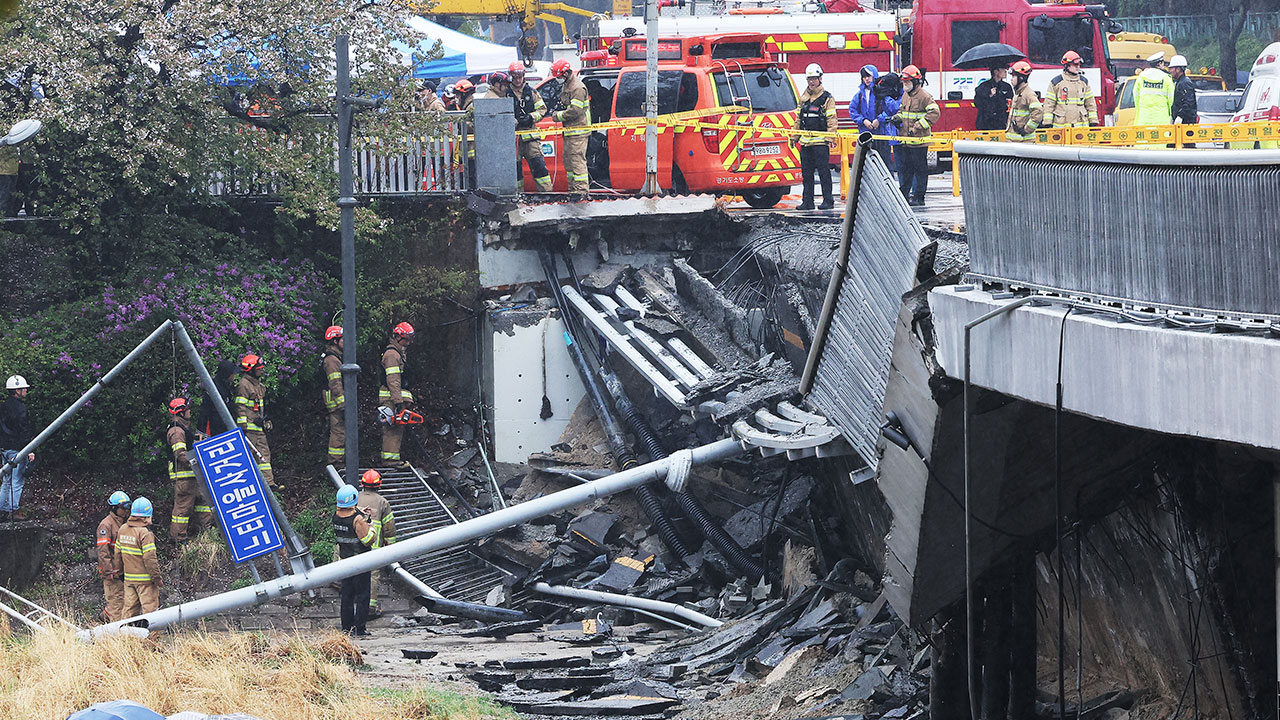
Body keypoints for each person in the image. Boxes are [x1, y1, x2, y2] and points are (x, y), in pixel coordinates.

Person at [891, 65, 939, 207]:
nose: (904, 85)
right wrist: (896, 118)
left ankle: (919, 197)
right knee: (906, 169)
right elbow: (902, 112)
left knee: (920, 170)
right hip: (906, 140)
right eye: (903, 82)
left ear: (915, 82)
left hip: (919, 142)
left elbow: (934, 113)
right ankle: (904, 195)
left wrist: (917, 127)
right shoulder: (906, 95)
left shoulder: (924, 96)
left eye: (907, 82)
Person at [332, 484, 376, 636]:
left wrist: (360, 513)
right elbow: (368, 540)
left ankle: (346, 628)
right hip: (361, 562)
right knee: (362, 596)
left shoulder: (336, 517)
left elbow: (347, 515)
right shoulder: (358, 520)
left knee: (347, 596)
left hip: (345, 561)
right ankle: (360, 629)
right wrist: (370, 526)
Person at [166, 397, 212, 541]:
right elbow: (181, 455)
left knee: (203, 503)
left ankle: (206, 531)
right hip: (184, 479)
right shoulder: (176, 432)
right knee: (183, 509)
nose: (189, 412)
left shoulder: (184, 429)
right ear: (180, 413)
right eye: (187, 410)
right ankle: (178, 538)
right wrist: (199, 460)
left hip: (193, 476)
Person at [796, 63, 838, 210]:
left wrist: (830, 138)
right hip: (806, 144)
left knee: (823, 173)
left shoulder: (827, 98)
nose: (811, 82)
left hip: (820, 143)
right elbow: (798, 120)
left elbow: (832, 120)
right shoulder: (804, 99)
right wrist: (794, 137)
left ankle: (828, 200)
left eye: (814, 78)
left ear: (820, 79)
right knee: (806, 174)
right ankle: (807, 202)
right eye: (809, 79)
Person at [358, 469, 398, 618]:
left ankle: (338, 584)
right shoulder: (382, 502)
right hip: (373, 548)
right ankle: (370, 608)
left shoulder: (355, 498)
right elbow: (389, 527)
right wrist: (391, 547)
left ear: (362, 484)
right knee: (373, 576)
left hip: (355, 546)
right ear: (378, 485)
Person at [233, 354, 277, 489]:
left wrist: (265, 420)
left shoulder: (258, 385)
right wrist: (244, 427)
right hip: (249, 430)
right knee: (248, 457)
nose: (262, 370)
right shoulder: (244, 386)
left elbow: (260, 407)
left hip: (258, 428)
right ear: (251, 370)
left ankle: (269, 484)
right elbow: (240, 407)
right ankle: (247, 485)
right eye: (259, 368)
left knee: (264, 455)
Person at [509, 62, 552, 192]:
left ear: (524, 75)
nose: (517, 79)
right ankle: (517, 196)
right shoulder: (506, 93)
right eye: (515, 76)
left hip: (530, 137)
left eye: (520, 76)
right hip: (513, 139)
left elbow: (542, 109)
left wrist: (531, 117)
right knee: (515, 171)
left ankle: (547, 193)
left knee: (539, 166)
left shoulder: (532, 92)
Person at [116, 497, 161, 618]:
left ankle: (125, 635)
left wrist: (120, 573)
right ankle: (152, 637)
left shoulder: (123, 529)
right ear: (146, 516)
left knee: (129, 611)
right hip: (146, 581)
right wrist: (156, 578)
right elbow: (150, 559)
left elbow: (117, 554)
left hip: (129, 580)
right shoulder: (145, 533)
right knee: (151, 612)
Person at [551, 59, 591, 194]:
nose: (558, 79)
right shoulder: (567, 85)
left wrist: (558, 115)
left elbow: (575, 110)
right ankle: (573, 190)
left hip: (578, 132)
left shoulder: (577, 88)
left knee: (577, 162)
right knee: (569, 163)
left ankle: (581, 193)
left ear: (566, 74)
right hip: (570, 132)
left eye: (559, 77)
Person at [849, 64, 897, 176]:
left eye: (869, 76)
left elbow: (890, 109)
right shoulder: (859, 95)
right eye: (864, 76)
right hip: (865, 136)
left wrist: (879, 120)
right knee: (867, 168)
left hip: (881, 134)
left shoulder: (881, 93)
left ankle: (888, 190)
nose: (866, 79)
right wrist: (863, 120)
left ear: (874, 76)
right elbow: (852, 110)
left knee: (885, 165)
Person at [380, 322, 416, 469]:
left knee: (397, 429)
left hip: (394, 397)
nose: (409, 342)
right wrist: (398, 401)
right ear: (397, 337)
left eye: (410, 339)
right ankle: (390, 461)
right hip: (390, 398)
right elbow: (393, 380)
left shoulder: (398, 353)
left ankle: (392, 458)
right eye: (406, 339)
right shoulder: (392, 355)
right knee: (392, 428)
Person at [0, 375, 34, 521]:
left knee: (6, 480)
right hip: (17, 450)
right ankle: (13, 510)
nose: (26, 390)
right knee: (17, 480)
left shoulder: (3, 407)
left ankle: (2, 509)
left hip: (4, 449)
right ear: (17, 390)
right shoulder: (21, 408)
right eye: (23, 388)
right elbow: (23, 430)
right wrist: (29, 449)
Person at [96, 490, 131, 622]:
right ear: (114, 508)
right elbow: (103, 551)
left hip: (123, 571)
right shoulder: (106, 525)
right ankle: (116, 634)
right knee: (116, 603)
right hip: (113, 573)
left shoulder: (124, 523)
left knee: (123, 599)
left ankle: (104, 617)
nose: (127, 510)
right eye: (124, 507)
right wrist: (108, 571)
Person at [1042, 51, 1098, 128]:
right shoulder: (1056, 82)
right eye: (1075, 64)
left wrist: (1093, 122)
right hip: (1061, 127)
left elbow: (1090, 103)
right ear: (1067, 65)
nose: (1078, 66)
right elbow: (1049, 104)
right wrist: (1047, 123)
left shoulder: (1084, 82)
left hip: (1081, 127)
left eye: (1079, 64)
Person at [1005, 61, 1043, 143]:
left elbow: (1038, 112)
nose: (1011, 79)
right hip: (1014, 141)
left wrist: (1026, 129)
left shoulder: (1028, 94)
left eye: (1014, 76)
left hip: (1024, 142)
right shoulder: (1018, 93)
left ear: (1021, 78)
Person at [1133, 51, 1175, 126]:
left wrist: (1141, 109)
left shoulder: (1142, 77)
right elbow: (1171, 100)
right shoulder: (1166, 78)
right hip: (1162, 120)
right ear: (1160, 64)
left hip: (1144, 119)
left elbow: (1136, 95)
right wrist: (1171, 115)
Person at [196, 359, 235, 436]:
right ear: (227, 374)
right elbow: (206, 411)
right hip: (214, 427)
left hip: (225, 426)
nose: (234, 375)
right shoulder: (214, 388)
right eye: (232, 373)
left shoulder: (226, 385)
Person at [974, 66, 1014, 131]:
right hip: (986, 124)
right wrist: (989, 95)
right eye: (1003, 69)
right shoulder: (983, 87)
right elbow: (977, 103)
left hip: (1002, 123)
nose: (1005, 71)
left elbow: (1011, 102)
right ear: (996, 72)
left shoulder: (1006, 87)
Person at [1170, 55, 1198, 125]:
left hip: (1186, 123)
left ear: (1178, 69)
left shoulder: (1185, 83)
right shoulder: (1180, 82)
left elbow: (1189, 102)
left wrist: (1180, 116)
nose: (1170, 71)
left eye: (1171, 68)